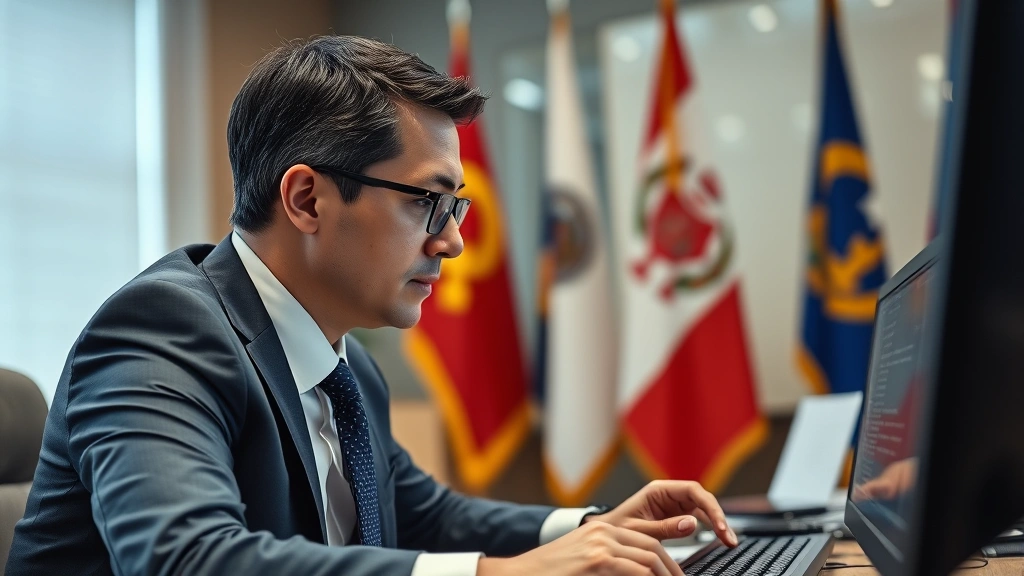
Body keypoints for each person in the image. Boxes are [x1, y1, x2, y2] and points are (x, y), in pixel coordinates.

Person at [5, 36, 737, 576]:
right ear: (306, 198)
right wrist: (501, 574)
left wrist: (595, 527)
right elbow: (186, 558)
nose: (452, 243)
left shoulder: (345, 365)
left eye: (457, 207)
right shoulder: (159, 332)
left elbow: (421, 514)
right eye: (428, 203)